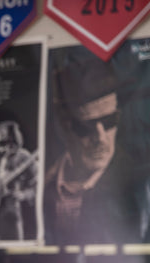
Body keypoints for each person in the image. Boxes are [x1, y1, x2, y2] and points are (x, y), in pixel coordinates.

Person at [44, 55, 150, 245]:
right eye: (87, 126)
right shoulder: (38, 184)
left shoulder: (139, 186)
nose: (101, 138)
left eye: (110, 121)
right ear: (63, 126)